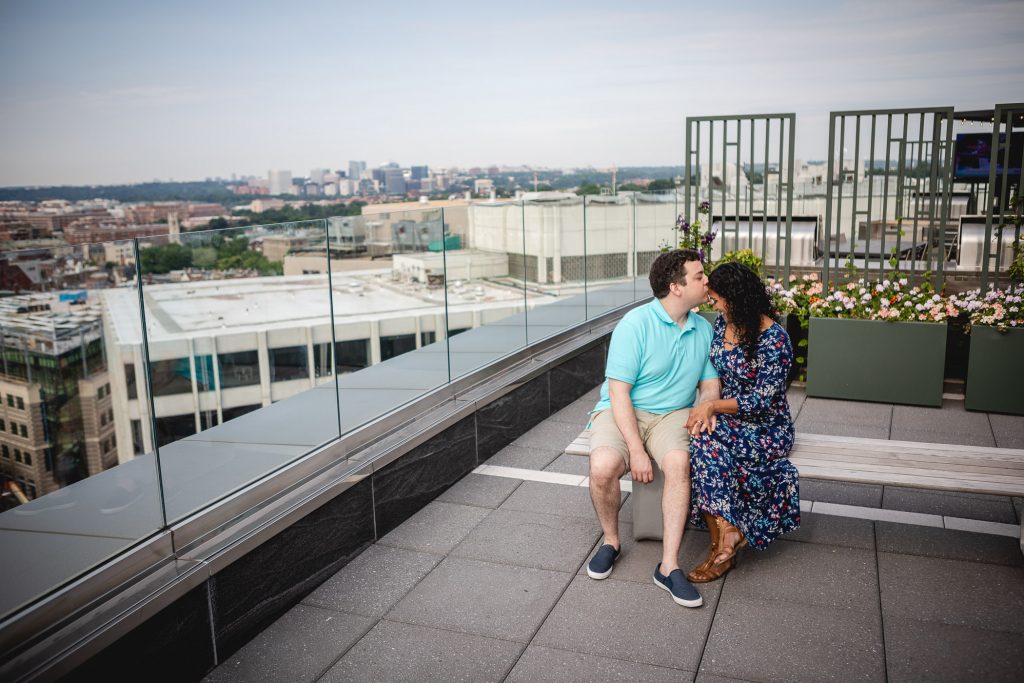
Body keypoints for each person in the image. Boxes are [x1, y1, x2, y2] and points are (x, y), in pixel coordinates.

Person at [585, 249, 721, 608]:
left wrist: (706, 405)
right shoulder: (635, 324)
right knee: (602, 469)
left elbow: (709, 382)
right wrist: (636, 449)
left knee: (678, 464)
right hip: (622, 411)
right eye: (698, 275)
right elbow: (618, 393)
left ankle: (669, 566)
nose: (706, 280)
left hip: (672, 414)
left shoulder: (703, 329)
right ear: (676, 287)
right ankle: (611, 542)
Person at [684, 262, 800, 583]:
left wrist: (712, 406)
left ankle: (723, 547)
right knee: (704, 437)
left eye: (718, 299)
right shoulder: (724, 324)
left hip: (767, 426)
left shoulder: (774, 339)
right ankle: (727, 537)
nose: (713, 304)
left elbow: (762, 399)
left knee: (706, 442)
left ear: (736, 299)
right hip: (727, 417)